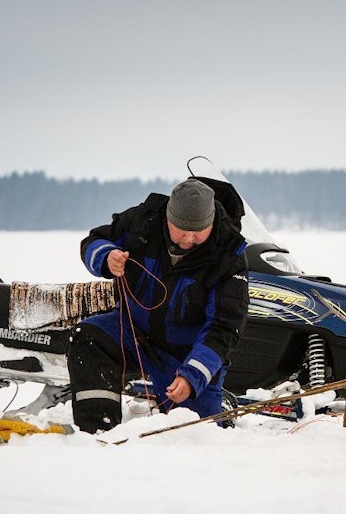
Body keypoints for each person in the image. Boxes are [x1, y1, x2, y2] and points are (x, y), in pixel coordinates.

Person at [67, 178, 249, 434]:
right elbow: (94, 240)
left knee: (194, 434)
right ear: (167, 218)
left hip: (186, 354)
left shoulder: (229, 255)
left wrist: (192, 375)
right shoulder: (144, 221)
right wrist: (106, 256)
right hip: (134, 332)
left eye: (198, 230)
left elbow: (225, 327)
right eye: (181, 229)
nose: (189, 238)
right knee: (87, 337)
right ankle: (98, 431)